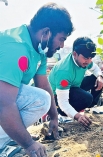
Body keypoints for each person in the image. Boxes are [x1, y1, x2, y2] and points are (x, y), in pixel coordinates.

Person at [0, 3, 74, 157]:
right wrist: (29, 144)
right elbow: (4, 103)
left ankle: (7, 136)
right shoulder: (17, 47)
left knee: (42, 97)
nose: (62, 45)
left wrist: (54, 117)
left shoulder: (40, 49)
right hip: (2, 99)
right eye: (61, 39)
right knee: (39, 99)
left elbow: (43, 84)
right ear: (46, 32)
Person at [48, 37, 103, 127]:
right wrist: (78, 116)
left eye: (91, 58)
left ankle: (92, 106)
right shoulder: (64, 71)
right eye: (86, 58)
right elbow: (62, 101)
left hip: (74, 86)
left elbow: (95, 68)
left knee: (99, 78)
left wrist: (99, 76)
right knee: (87, 98)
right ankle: (63, 115)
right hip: (58, 97)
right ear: (75, 54)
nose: (89, 61)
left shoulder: (86, 60)